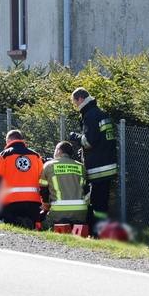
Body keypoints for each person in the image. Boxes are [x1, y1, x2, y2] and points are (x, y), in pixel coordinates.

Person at [69, 88, 118, 225]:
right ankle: (99, 230)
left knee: (96, 203)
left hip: (98, 168)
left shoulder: (90, 115)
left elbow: (89, 141)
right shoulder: (100, 114)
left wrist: (75, 137)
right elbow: (101, 140)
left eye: (75, 102)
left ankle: (96, 231)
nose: (76, 106)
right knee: (101, 202)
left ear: (80, 99)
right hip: (108, 165)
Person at [0, 130, 44, 229]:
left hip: (10, 203)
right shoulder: (36, 156)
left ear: (9, 140)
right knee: (33, 232)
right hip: (33, 202)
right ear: (21, 140)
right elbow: (42, 179)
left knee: (13, 231)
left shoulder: (3, 156)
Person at [39, 141, 89, 229]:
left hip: (58, 213)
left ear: (58, 151)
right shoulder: (81, 167)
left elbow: (43, 189)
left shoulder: (48, 165)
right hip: (81, 213)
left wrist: (46, 206)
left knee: (42, 225)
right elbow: (85, 189)